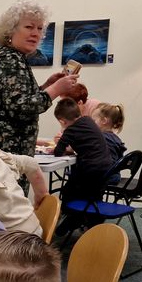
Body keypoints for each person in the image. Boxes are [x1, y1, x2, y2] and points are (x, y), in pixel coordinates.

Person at [0, 0, 77, 158]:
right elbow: (22, 108)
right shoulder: (10, 60)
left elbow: (16, 100)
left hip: (3, 148)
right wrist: (57, 89)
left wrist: (46, 86)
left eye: (39, 28)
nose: (36, 33)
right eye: (29, 27)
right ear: (10, 30)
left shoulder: (11, 57)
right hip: (6, 149)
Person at [53, 98, 113, 235]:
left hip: (89, 168)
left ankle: (73, 218)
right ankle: (87, 223)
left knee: (68, 191)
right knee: (93, 196)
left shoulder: (70, 130)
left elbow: (57, 152)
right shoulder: (88, 121)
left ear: (62, 121)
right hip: (106, 167)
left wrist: (63, 143)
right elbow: (87, 143)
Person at [91, 103, 127, 183]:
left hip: (104, 176)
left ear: (104, 121)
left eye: (94, 121)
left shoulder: (100, 138)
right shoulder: (116, 139)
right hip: (115, 175)